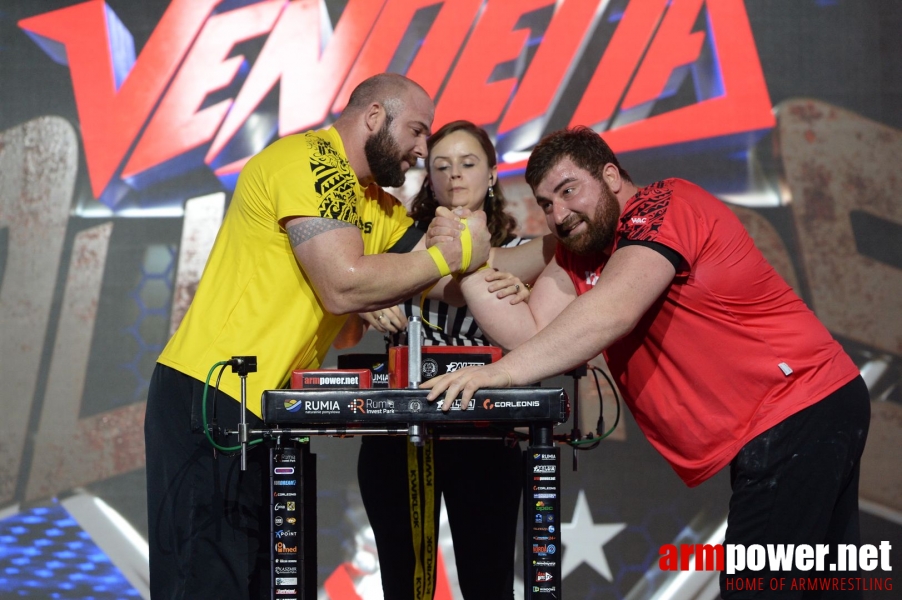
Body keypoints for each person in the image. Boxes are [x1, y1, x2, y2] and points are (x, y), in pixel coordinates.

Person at [423, 127, 871, 598]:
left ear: (611, 176)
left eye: (568, 190)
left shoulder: (664, 205)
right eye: (546, 203)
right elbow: (532, 333)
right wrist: (469, 262)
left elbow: (614, 310)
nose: (558, 213)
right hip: (793, 414)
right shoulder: (583, 249)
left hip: (797, 408)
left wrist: (498, 374)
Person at [144, 73, 493, 600]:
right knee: (208, 584)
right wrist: (453, 253)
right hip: (212, 396)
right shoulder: (309, 161)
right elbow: (343, 285)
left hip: (270, 411)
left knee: (267, 585)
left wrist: (556, 252)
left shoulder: (373, 203)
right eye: (418, 131)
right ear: (375, 116)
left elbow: (449, 284)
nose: (423, 151)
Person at [344, 120, 535, 600]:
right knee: (405, 587)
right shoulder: (394, 244)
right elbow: (342, 328)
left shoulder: (522, 255)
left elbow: (541, 330)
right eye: (440, 166)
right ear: (427, 177)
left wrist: (524, 291)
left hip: (485, 431)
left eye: (468, 164)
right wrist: (363, 299)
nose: (455, 176)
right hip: (399, 430)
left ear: (492, 173)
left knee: (487, 582)